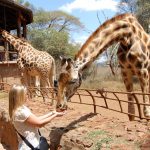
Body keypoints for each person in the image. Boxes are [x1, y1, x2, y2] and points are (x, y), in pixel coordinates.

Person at [9, 84, 66, 150]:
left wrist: (53, 113)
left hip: (33, 144)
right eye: (25, 94)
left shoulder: (21, 108)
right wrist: (55, 115)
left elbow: (37, 120)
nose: (27, 96)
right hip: (30, 147)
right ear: (19, 96)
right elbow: (39, 124)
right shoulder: (20, 112)